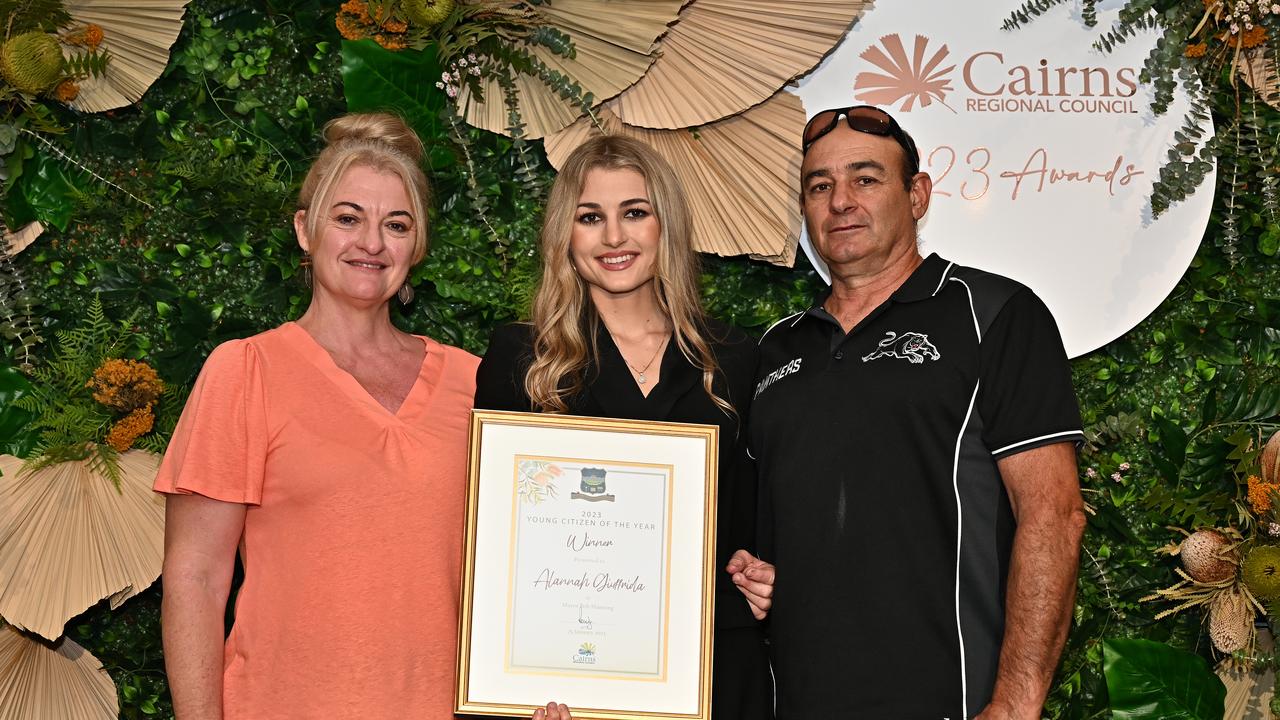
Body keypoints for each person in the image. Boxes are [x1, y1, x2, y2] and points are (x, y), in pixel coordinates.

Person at [731, 105, 1087, 719]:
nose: (840, 201)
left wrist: (1016, 703)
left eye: (865, 179)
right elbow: (768, 530)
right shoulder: (775, 350)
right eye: (820, 186)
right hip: (796, 699)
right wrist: (748, 567)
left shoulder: (997, 315)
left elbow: (1054, 516)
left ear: (917, 194)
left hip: (950, 698)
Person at [154, 112, 483, 719]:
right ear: (306, 230)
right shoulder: (245, 371)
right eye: (348, 218)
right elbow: (195, 579)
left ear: (419, 244)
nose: (372, 243)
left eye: (397, 224)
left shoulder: (478, 382)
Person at [474, 134, 773, 720]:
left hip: (710, 672)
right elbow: (494, 547)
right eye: (591, 217)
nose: (614, 237)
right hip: (568, 683)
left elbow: (754, 517)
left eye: (635, 212)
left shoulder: (734, 359)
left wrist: (760, 569)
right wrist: (510, 676)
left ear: (667, 227)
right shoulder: (521, 361)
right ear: (566, 234)